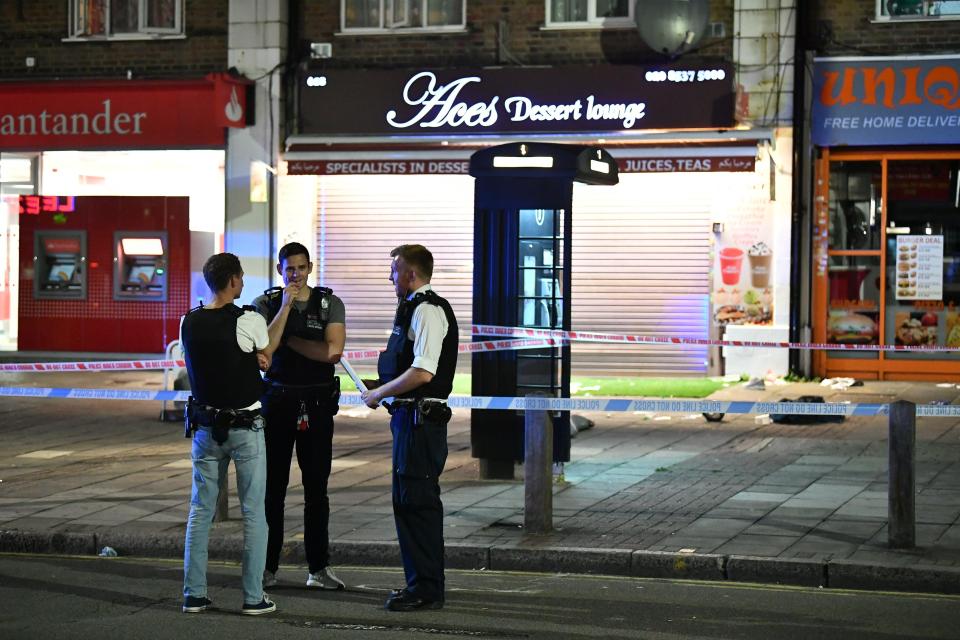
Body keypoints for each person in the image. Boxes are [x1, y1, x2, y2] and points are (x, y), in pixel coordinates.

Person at [362, 244, 457, 612]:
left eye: (394, 270)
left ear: (411, 274)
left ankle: (427, 589)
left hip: (421, 423)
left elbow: (423, 372)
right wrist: (380, 385)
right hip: (408, 419)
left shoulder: (428, 310)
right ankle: (419, 583)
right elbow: (408, 367)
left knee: (417, 505)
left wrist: (381, 393)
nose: (390, 277)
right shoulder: (411, 309)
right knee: (406, 503)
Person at [180, 252, 276, 616]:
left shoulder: (188, 321)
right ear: (234, 280)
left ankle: (194, 594)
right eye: (240, 277)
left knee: (200, 511)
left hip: (205, 428)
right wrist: (258, 357)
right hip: (245, 427)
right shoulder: (248, 319)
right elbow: (265, 353)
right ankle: (253, 597)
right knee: (253, 511)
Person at [252, 242, 347, 590]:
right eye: (289, 269)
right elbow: (264, 349)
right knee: (272, 489)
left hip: (317, 405)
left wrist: (289, 340)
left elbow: (332, 352)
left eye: (301, 268)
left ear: (310, 267)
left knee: (316, 490)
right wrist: (287, 306)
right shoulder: (265, 304)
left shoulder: (328, 303)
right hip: (277, 404)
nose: (295, 274)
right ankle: (267, 568)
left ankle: (318, 568)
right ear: (280, 270)